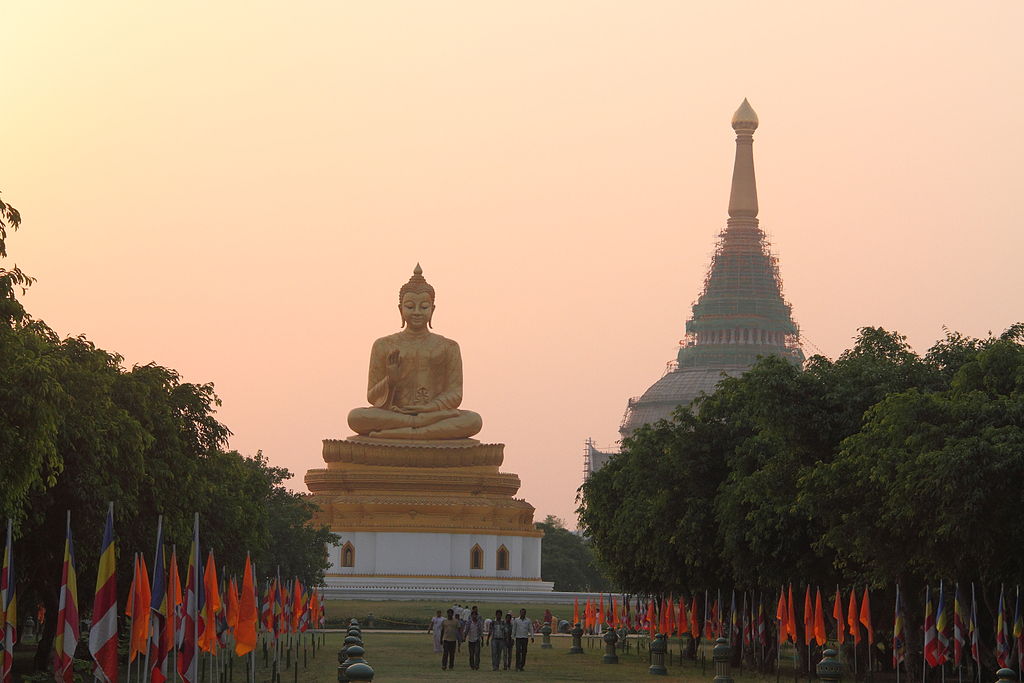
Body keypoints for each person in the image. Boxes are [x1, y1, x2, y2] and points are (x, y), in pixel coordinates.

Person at [347, 264, 483, 440]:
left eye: (424, 307)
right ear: (400, 310)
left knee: (473, 420)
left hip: (432, 416)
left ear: (433, 309)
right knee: (356, 417)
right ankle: (418, 429)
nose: (417, 312)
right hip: (399, 415)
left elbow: (455, 394)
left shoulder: (449, 347)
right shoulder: (383, 345)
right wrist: (390, 381)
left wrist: (429, 409)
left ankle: (406, 432)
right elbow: (372, 397)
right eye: (410, 307)